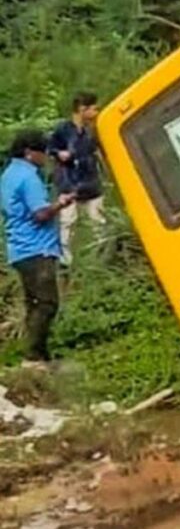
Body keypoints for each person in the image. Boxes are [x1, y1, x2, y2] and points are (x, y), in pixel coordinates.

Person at [1, 131, 76, 369]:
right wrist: (61, 203)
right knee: (46, 303)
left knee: (34, 304)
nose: (46, 156)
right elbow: (40, 214)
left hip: (19, 248)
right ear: (29, 152)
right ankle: (33, 357)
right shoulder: (28, 177)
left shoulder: (8, 175)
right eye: (42, 152)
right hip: (37, 247)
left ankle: (40, 357)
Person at [49, 92, 104, 264]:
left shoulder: (92, 130)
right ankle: (66, 260)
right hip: (69, 181)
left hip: (91, 181)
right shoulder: (63, 129)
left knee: (98, 220)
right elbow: (50, 148)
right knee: (68, 222)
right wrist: (60, 153)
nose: (96, 113)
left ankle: (101, 256)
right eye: (93, 109)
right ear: (82, 109)